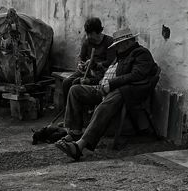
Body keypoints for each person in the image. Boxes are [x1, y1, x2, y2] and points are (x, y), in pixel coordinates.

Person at [55, 27, 158, 161]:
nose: (117, 48)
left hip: (128, 91)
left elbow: (137, 75)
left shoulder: (141, 54)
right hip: (109, 88)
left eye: (119, 45)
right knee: (75, 89)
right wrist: (93, 70)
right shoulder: (120, 56)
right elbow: (108, 72)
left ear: (127, 43)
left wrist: (112, 84)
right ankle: (75, 132)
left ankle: (80, 146)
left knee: (106, 103)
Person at [62, 17, 115, 107]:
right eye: (87, 33)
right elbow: (81, 57)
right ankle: (67, 110)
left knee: (76, 83)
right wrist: (80, 64)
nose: (88, 36)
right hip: (85, 71)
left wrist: (95, 64)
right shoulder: (87, 42)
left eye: (91, 33)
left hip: (101, 73)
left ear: (98, 32)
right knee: (66, 82)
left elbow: (110, 62)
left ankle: (82, 112)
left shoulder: (109, 42)